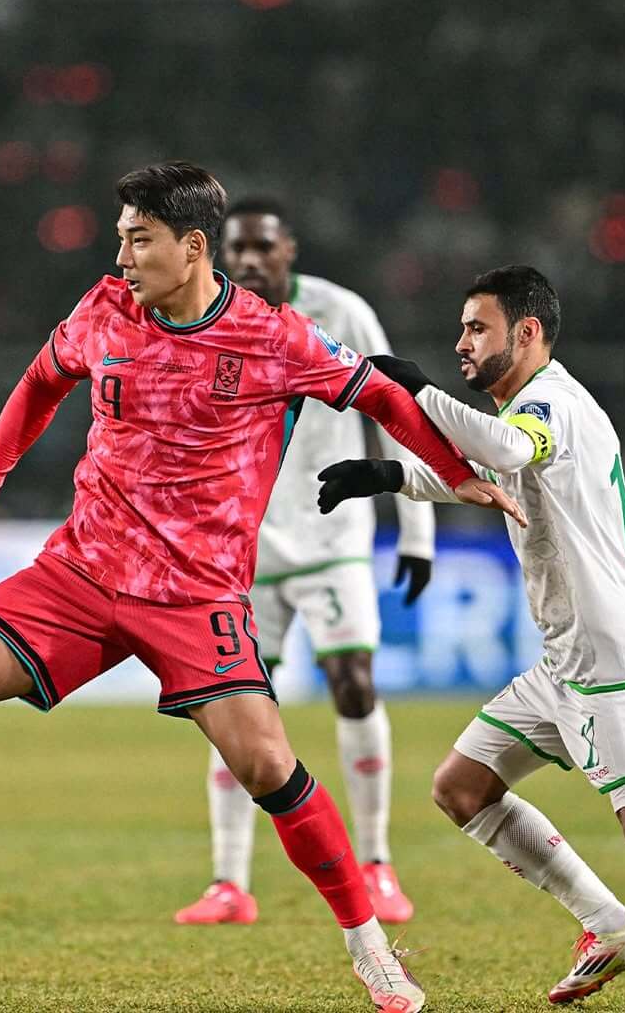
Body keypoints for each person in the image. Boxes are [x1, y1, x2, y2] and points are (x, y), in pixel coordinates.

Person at [0, 163, 524, 1012]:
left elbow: (383, 395)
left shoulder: (273, 337)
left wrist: (452, 472)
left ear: (194, 246)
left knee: (269, 766)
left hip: (196, 596)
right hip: (83, 572)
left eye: (140, 239)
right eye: (122, 237)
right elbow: (39, 382)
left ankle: (372, 950)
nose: (124, 254)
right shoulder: (104, 310)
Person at [317, 264, 625, 1013]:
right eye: (462, 327)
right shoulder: (524, 409)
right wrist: (389, 473)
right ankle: (609, 927)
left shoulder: (551, 404)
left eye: (477, 327)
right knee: (462, 786)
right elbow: (491, 473)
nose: (463, 341)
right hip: (569, 659)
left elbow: (509, 453)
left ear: (526, 333)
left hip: (620, 652)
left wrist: (418, 394)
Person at [175, 199, 433, 927]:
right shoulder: (207, 320)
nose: (250, 261)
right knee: (233, 708)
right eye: (237, 250)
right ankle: (230, 883)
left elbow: (398, 409)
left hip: (334, 537)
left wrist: (416, 532)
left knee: (353, 683)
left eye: (263, 247)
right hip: (244, 547)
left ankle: (378, 865)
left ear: (290, 247)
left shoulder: (340, 311)